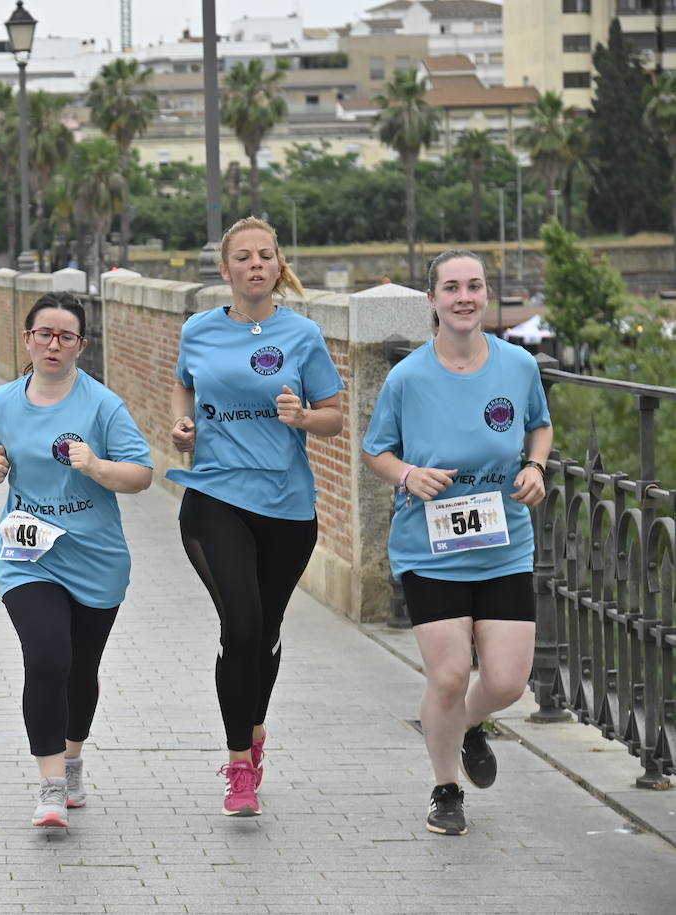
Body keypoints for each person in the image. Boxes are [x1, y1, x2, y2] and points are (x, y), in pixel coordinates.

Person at [361, 249, 552, 837]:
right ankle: (446, 788)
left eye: (474, 286)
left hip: (503, 544)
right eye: (451, 288)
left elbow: (538, 425)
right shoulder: (408, 376)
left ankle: (464, 724)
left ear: (487, 294)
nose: (464, 297)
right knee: (446, 677)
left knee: (505, 682)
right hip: (430, 547)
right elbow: (376, 449)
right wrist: (407, 476)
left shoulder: (518, 366)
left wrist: (536, 467)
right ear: (432, 301)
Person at [169, 216, 345, 817]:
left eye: (264, 256)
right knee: (240, 627)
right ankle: (239, 764)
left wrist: (303, 418)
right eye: (241, 257)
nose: (254, 265)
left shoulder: (304, 336)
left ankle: (255, 726)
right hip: (214, 497)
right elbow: (183, 387)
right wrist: (183, 427)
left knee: (265, 634)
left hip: (286, 507)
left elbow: (334, 417)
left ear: (278, 266)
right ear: (226, 271)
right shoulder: (198, 330)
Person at [0, 292, 154, 829]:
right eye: (44, 334)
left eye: (66, 336)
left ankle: (73, 759)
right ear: (27, 338)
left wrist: (98, 467)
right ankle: (50, 786)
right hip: (27, 555)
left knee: (81, 669)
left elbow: (141, 474)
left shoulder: (103, 406)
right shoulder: (4, 401)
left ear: (81, 344)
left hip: (95, 557)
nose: (54, 345)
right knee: (48, 655)